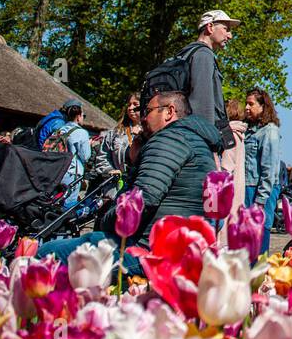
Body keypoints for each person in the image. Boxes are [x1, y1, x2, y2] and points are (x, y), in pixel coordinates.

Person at [39, 90, 221, 272]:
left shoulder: (169, 139)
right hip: (181, 250)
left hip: (149, 250)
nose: (143, 118)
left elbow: (143, 199)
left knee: (44, 255)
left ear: (169, 112)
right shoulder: (201, 145)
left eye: (148, 111)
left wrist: (106, 220)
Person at [183, 9, 240, 146]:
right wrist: (209, 142)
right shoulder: (203, 54)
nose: (230, 35)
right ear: (210, 27)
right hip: (199, 141)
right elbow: (202, 104)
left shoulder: (187, 53)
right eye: (226, 29)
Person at [243, 88, 282, 253]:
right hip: (248, 187)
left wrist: (260, 200)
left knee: (259, 240)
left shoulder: (269, 131)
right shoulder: (250, 130)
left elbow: (269, 168)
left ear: (262, 106)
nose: (246, 107)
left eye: (251, 104)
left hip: (259, 190)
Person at [93, 92, 141, 175]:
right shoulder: (116, 133)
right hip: (117, 184)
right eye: (129, 105)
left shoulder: (152, 133)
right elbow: (102, 157)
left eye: (135, 104)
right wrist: (110, 170)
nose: (130, 108)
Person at [218, 99, 246, 224]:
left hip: (228, 188)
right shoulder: (239, 135)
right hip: (237, 186)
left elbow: (227, 166)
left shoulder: (230, 134)